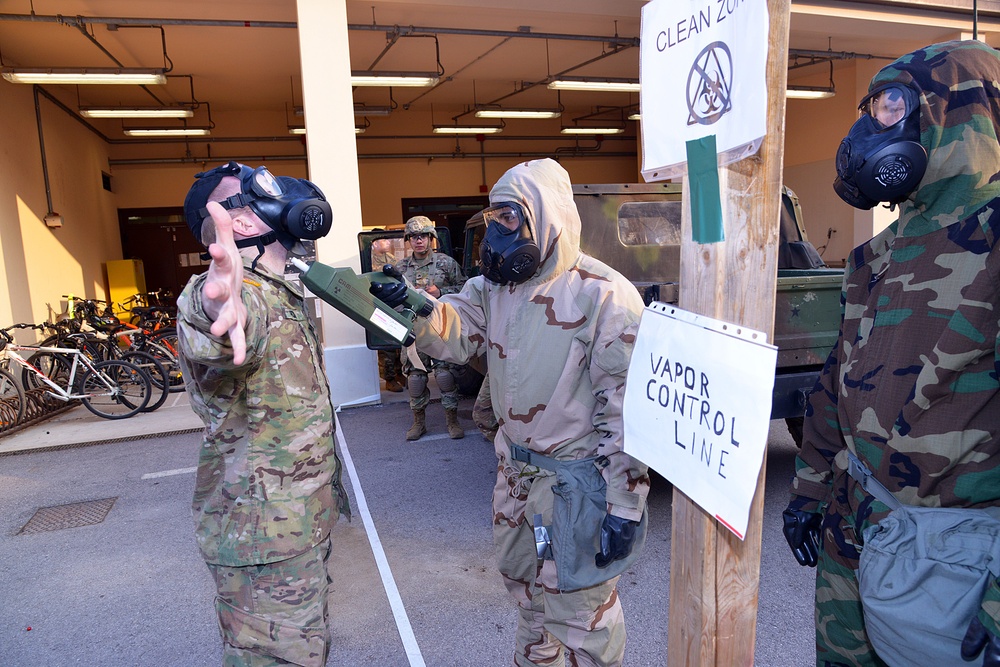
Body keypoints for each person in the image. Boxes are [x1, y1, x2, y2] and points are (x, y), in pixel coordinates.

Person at [782, 40, 1000, 667]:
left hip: (954, 559)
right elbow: (836, 385)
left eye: (890, 105)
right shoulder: (877, 256)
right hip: (857, 531)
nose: (867, 127)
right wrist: (809, 492)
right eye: (872, 107)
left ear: (956, 114)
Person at [388, 159, 650, 666]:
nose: (498, 234)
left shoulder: (604, 295)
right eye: (494, 220)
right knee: (530, 604)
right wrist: (416, 309)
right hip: (517, 479)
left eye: (510, 218)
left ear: (544, 218)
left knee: (584, 618)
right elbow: (458, 329)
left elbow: (625, 413)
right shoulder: (494, 288)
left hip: (576, 486)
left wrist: (625, 503)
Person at [176, 161, 350, 667]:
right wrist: (214, 303)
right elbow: (219, 315)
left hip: (297, 528)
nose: (279, 194)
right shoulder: (244, 294)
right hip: (262, 539)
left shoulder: (283, 290)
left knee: (306, 648)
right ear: (242, 224)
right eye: (258, 191)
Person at [396, 215, 468, 440]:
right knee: (416, 379)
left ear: (431, 238)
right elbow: (391, 298)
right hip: (413, 331)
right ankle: (418, 424)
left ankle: (452, 421)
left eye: (424, 236)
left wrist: (441, 293)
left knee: (445, 376)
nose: (419, 241)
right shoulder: (400, 269)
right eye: (415, 237)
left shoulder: (446, 263)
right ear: (409, 240)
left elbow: (464, 289)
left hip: (440, 329)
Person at [369, 229, 405, 392]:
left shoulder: (393, 260)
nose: (389, 243)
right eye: (385, 240)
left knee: (398, 342)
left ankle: (399, 373)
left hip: (395, 304)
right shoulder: (369, 261)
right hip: (379, 305)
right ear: (375, 243)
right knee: (386, 346)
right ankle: (389, 379)